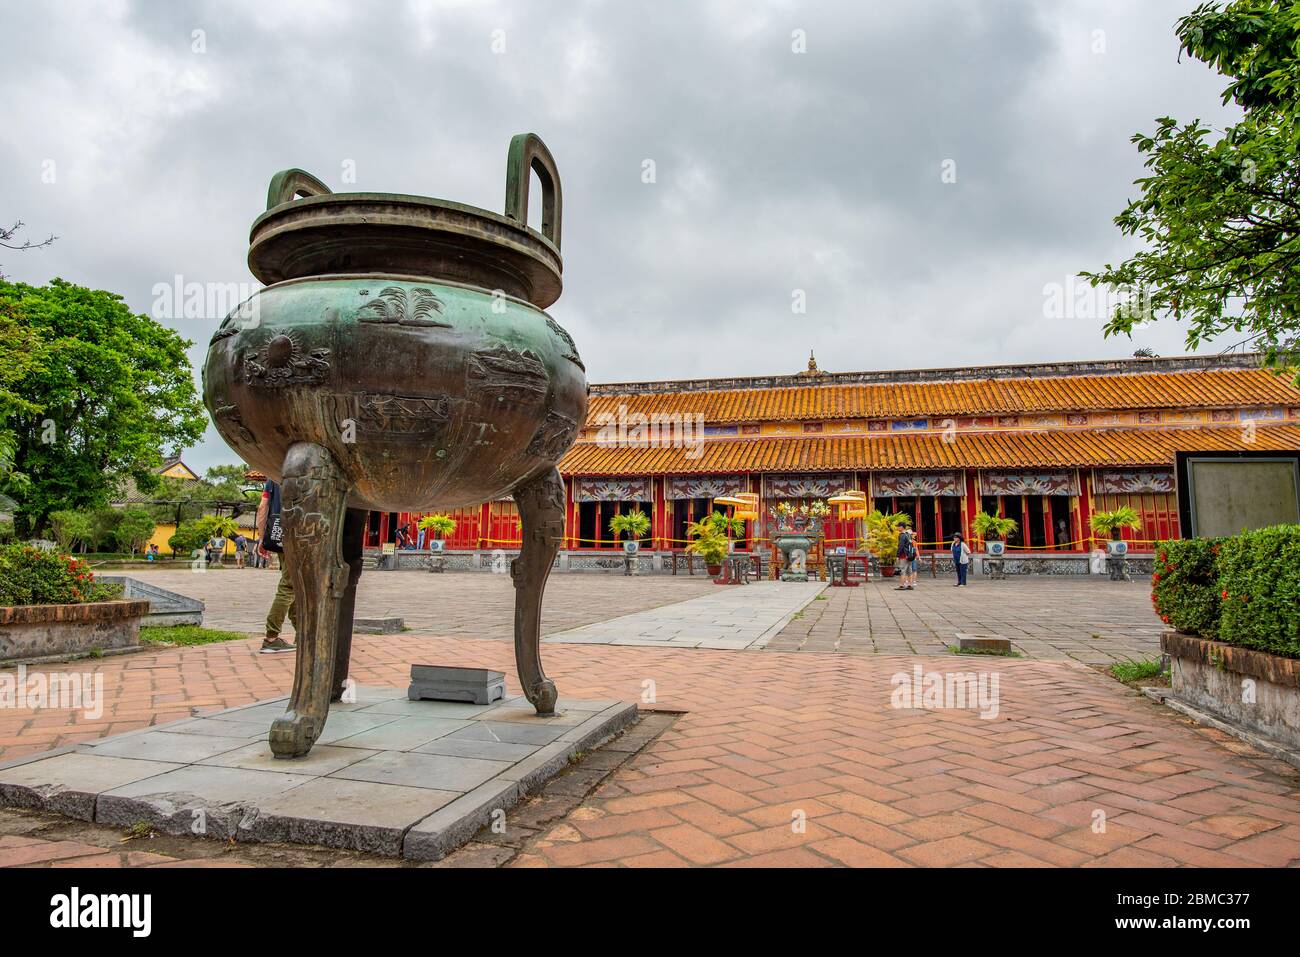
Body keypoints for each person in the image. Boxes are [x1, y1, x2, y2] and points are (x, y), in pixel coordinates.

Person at [257, 480, 296, 654]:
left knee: (295, 584)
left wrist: (262, 538)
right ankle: (271, 636)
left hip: (278, 533)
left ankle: (302, 632)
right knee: (290, 585)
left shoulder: (272, 476)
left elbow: (263, 506)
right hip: (300, 533)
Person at [895, 525, 918, 591]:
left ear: (901, 527)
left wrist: (898, 555)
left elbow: (901, 546)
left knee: (903, 570)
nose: (897, 528)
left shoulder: (902, 535)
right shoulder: (909, 535)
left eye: (898, 527)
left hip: (904, 555)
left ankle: (902, 585)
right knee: (909, 571)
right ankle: (910, 585)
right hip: (910, 555)